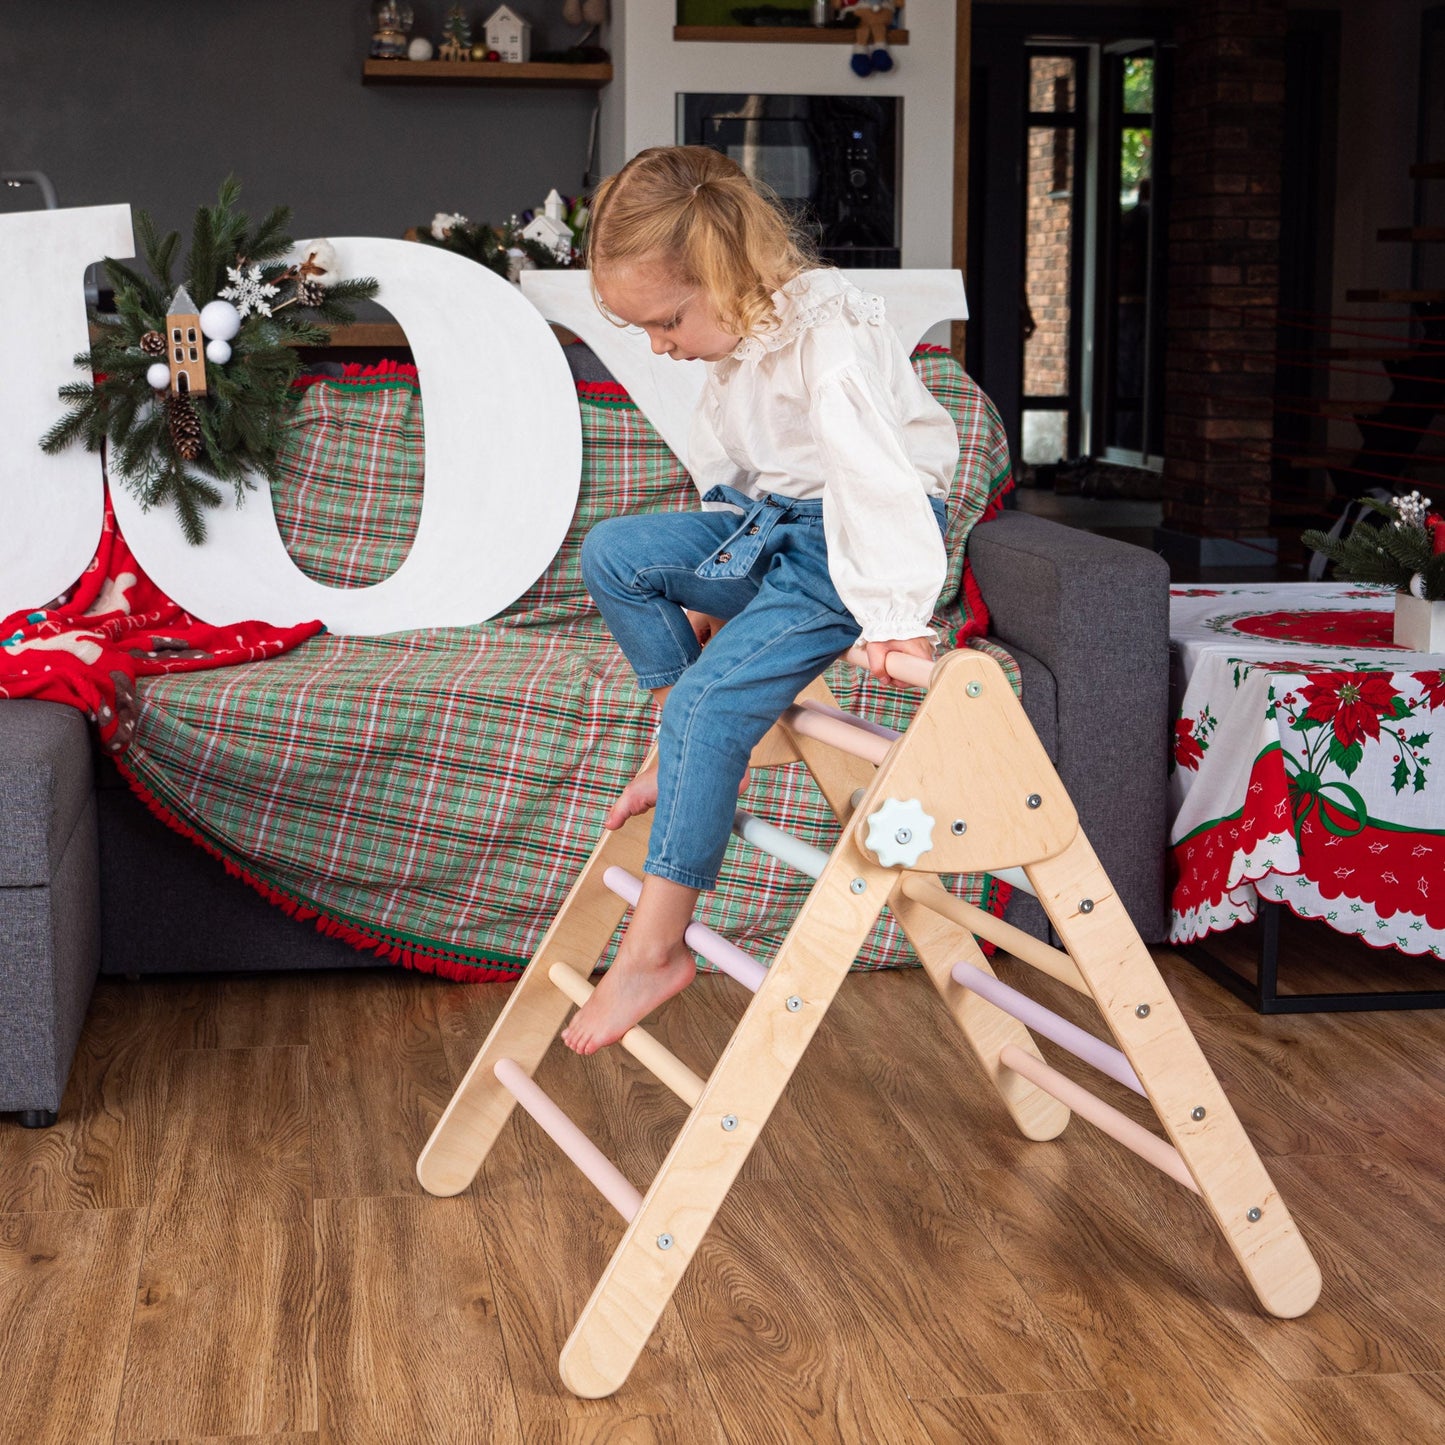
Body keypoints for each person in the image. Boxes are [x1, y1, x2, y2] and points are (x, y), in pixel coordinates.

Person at [563, 144, 960, 1055]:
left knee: (713, 702)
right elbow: (730, 472)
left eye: (664, 321)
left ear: (722, 274)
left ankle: (655, 950)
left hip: (851, 539)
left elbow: (875, 477)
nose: (659, 346)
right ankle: (682, 740)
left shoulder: (828, 335)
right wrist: (708, 584)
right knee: (616, 555)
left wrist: (894, 615)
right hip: (770, 521)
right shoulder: (737, 334)